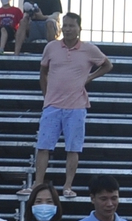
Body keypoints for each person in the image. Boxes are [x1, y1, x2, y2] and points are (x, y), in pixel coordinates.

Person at [34, 13, 112, 199]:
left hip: (76, 106)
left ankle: (67, 186)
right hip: (52, 105)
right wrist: (47, 96)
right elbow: (42, 72)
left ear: (79, 28)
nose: (68, 29)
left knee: (73, 148)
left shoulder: (88, 49)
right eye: (66, 25)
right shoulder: (51, 47)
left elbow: (107, 65)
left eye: (72, 26)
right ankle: (38, 183)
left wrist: (90, 77)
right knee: (44, 146)